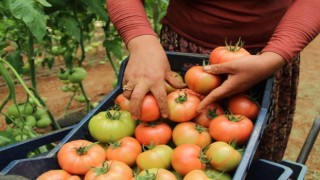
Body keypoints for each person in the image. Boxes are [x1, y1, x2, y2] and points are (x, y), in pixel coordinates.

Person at [106, 0, 320, 162]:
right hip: (181, 54)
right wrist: (140, 39)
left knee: (256, 154)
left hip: (268, 57)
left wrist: (275, 56)